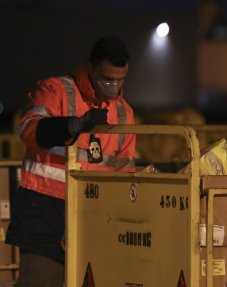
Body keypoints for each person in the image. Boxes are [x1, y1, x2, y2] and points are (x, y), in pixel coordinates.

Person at [6, 35, 136, 286]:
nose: (113, 86)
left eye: (119, 80)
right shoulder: (55, 90)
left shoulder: (123, 113)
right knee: (41, 280)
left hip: (95, 214)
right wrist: (73, 125)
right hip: (45, 207)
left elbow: (125, 171)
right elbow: (28, 129)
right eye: (107, 79)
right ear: (89, 66)